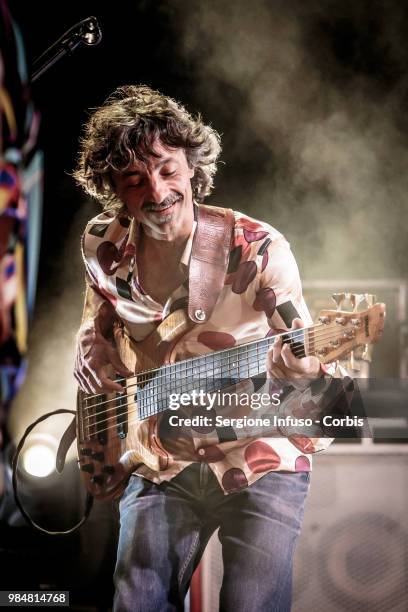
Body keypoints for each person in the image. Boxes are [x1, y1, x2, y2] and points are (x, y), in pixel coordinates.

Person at [73, 85, 350, 611]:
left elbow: (307, 356)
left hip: (258, 452)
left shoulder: (258, 246)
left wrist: (303, 366)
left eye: (168, 170)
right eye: (133, 178)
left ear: (192, 166)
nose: (156, 191)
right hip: (158, 454)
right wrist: (88, 344)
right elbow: (97, 315)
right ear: (113, 187)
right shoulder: (99, 245)